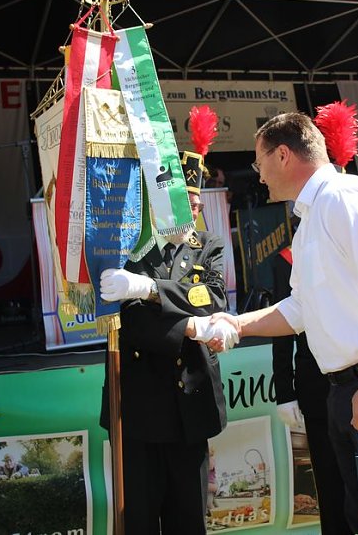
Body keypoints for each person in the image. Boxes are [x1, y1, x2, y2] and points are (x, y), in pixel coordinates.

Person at [201, 112, 358, 534]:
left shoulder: (344, 198)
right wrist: (238, 324)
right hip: (349, 390)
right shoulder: (311, 218)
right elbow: (300, 309)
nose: (259, 177)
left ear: (283, 155)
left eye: (260, 163)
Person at [98, 147, 238, 534]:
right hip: (139, 411)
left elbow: (211, 299)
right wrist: (193, 327)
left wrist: (150, 289)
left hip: (189, 410)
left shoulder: (208, 246)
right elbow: (134, 322)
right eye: (184, 202)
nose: (192, 211)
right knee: (139, 521)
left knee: (189, 520)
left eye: (197, 203)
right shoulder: (129, 247)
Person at [271, 242, 349, 535]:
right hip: (316, 385)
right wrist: (284, 391)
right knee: (328, 479)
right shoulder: (287, 258)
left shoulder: (348, 244)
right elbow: (283, 326)